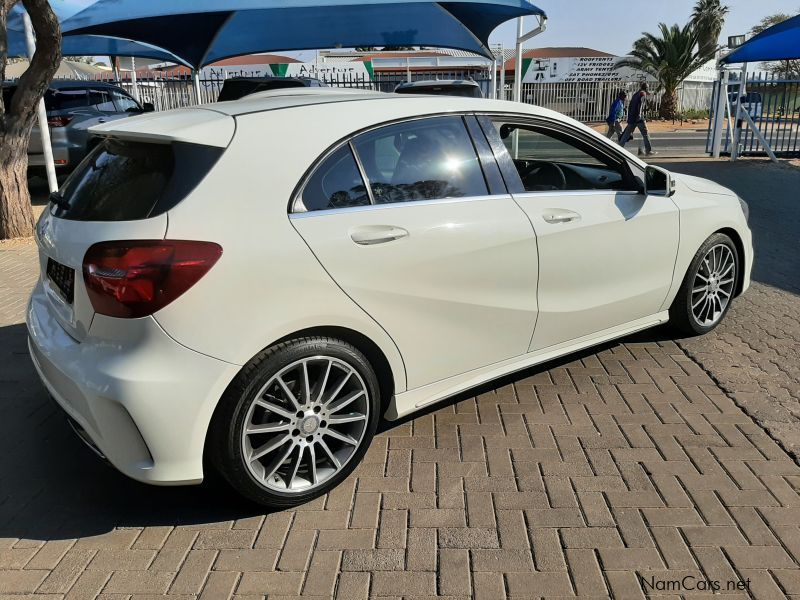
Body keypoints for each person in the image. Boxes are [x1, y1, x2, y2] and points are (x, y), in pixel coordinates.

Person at [619, 82, 656, 156]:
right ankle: (648, 151)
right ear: (646, 88)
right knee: (645, 134)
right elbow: (641, 105)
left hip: (632, 117)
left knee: (626, 134)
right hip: (638, 118)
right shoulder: (642, 94)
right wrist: (639, 114)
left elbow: (631, 105)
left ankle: (619, 149)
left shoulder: (636, 94)